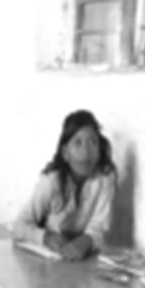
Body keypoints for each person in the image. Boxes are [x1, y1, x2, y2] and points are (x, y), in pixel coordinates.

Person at [12, 110, 116, 260]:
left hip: (82, 262)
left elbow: (99, 228)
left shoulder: (104, 180)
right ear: (65, 153)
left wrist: (87, 240)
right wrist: (45, 237)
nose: (86, 151)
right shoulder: (51, 182)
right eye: (78, 143)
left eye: (93, 142)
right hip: (48, 260)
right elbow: (19, 226)